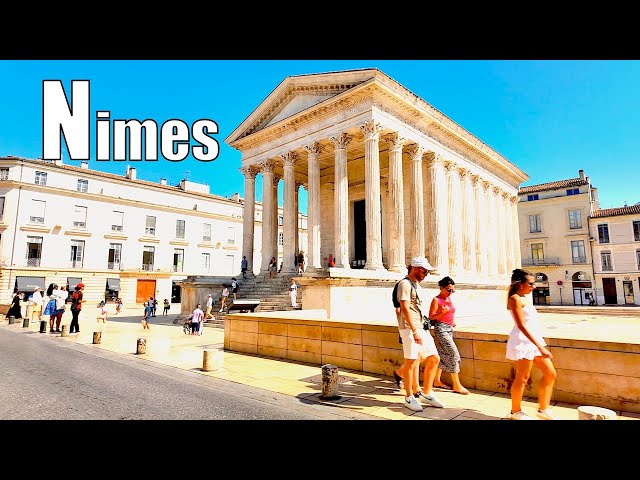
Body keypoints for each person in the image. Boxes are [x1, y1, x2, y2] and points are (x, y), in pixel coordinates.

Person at [393, 256, 444, 412]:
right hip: (410, 328)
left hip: (421, 327)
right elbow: (404, 308)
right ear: (415, 269)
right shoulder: (404, 284)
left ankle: (426, 393)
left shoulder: (416, 285)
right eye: (424, 271)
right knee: (410, 362)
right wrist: (414, 330)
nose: (426, 274)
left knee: (434, 358)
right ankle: (409, 396)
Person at [506, 268, 558, 420]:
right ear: (520, 284)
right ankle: (515, 412)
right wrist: (541, 347)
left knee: (550, 373)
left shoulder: (524, 298)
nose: (533, 287)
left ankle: (543, 409)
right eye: (531, 284)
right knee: (522, 377)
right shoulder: (515, 299)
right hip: (522, 341)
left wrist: (539, 345)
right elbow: (521, 325)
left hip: (533, 339)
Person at [429, 276, 469, 395]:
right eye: (448, 290)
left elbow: (450, 312)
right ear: (441, 288)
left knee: (443, 354)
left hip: (449, 328)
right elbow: (431, 316)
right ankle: (457, 385)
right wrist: (442, 313)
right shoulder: (436, 300)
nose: (450, 292)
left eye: (452, 290)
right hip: (441, 329)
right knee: (454, 354)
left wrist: (452, 321)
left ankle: (436, 381)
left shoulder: (448, 299)